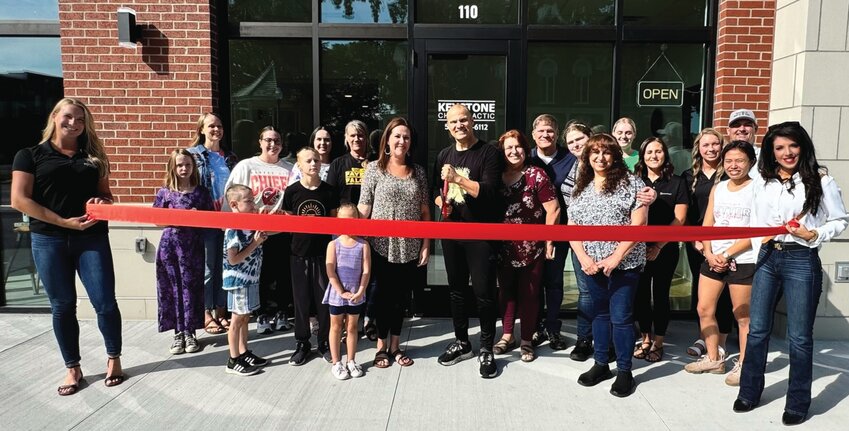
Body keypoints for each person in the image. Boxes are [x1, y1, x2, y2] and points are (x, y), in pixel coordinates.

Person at [734, 122, 849, 425]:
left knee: (799, 337)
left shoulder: (820, 181)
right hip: (768, 256)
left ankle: (798, 401)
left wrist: (816, 234)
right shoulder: (762, 179)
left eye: (792, 146)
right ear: (771, 152)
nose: (787, 153)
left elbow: (840, 220)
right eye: (780, 148)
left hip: (801, 258)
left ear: (803, 146)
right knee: (757, 330)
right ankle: (749, 391)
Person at [11, 97, 124, 395]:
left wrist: (104, 202)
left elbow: (107, 196)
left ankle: (114, 359)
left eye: (80, 120)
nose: (73, 124)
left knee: (105, 302)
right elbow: (20, 200)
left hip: (92, 238)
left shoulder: (94, 157)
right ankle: (72, 367)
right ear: (55, 117)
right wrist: (64, 222)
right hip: (49, 239)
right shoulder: (30, 155)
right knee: (62, 306)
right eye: (69, 117)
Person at [568, 133, 646, 398]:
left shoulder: (632, 184)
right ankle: (601, 364)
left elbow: (639, 226)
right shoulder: (582, 187)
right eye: (594, 153)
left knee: (621, 317)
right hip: (592, 264)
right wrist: (584, 258)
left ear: (615, 155)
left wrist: (616, 257)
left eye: (606, 152)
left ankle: (625, 371)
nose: (600, 158)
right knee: (599, 315)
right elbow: (573, 227)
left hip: (624, 264)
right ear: (587, 157)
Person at [433, 103, 504, 378]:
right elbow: (433, 189)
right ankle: (462, 342)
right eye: (454, 122)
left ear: (472, 122)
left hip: (481, 234)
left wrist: (458, 180)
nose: (459, 125)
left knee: (484, 293)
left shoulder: (488, 153)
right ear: (447, 127)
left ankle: (486, 347)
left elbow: (489, 193)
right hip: (452, 232)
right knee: (456, 290)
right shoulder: (443, 154)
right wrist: (443, 202)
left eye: (464, 120)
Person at [358, 117, 430, 368]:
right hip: (380, 245)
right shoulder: (374, 169)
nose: (402, 141)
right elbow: (364, 208)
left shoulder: (418, 172)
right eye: (397, 136)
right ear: (387, 139)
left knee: (401, 298)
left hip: (409, 246)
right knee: (382, 297)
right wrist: (347, 228)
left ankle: (396, 346)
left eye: (406, 137)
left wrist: (426, 244)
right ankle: (380, 346)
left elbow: (424, 212)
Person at [684, 141, 756, 386]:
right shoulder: (720, 187)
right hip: (713, 258)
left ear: (750, 163)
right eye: (729, 161)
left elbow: (756, 231)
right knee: (704, 309)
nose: (734, 166)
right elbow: (708, 223)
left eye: (740, 161)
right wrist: (708, 252)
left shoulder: (757, 189)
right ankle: (713, 358)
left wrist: (727, 254)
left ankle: (745, 365)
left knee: (742, 316)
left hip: (743, 259)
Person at [494, 130, 560, 363]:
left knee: (530, 293)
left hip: (532, 247)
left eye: (518, 146)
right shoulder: (496, 175)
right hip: (502, 247)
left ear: (525, 148)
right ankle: (507, 335)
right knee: (506, 292)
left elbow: (554, 209)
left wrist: (549, 240)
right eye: (508, 148)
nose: (514, 151)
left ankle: (526, 341)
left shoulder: (536, 175)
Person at [225, 126, 295, 335]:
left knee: (283, 274)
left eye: (277, 140)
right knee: (260, 275)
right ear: (260, 142)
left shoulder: (289, 169)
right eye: (268, 140)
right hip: (253, 233)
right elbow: (231, 198)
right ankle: (262, 313)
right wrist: (231, 227)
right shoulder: (246, 166)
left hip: (281, 231)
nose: (273, 144)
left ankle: (282, 312)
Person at [283, 147, 340, 365]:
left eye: (316, 160)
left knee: (323, 300)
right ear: (299, 165)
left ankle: (324, 342)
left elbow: (334, 222)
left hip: (323, 255)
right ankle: (302, 343)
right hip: (299, 254)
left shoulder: (329, 191)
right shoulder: (292, 192)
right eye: (308, 161)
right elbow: (289, 221)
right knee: (301, 301)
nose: (313, 164)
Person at [633, 137, 688, 363]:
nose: (654, 156)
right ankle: (645, 337)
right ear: (642, 156)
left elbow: (680, 218)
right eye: (649, 152)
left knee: (661, 295)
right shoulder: (635, 181)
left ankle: (658, 342)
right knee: (641, 295)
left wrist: (658, 246)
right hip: (637, 249)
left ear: (665, 155)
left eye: (658, 152)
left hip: (666, 248)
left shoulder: (677, 182)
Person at [154, 149, 214, 355]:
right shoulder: (165, 192)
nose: (184, 168)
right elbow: (156, 220)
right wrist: (180, 216)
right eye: (180, 165)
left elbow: (211, 220)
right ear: (173, 167)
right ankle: (177, 333)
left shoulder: (201, 192)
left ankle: (190, 332)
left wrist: (197, 217)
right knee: (172, 288)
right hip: (169, 247)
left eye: (187, 164)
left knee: (191, 289)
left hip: (193, 249)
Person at [681, 128, 734, 359]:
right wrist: (695, 240)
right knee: (702, 295)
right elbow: (687, 213)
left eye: (715, 144)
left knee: (724, 294)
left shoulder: (731, 175)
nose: (711, 149)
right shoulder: (688, 176)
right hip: (699, 245)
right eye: (706, 145)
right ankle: (704, 336)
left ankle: (721, 341)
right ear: (698, 149)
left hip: (727, 244)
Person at [186, 112, 238, 335]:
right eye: (211, 126)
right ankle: (206, 313)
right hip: (206, 219)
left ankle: (220, 311)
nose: (216, 129)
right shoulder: (193, 156)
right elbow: (184, 184)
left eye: (219, 126)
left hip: (228, 220)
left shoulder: (231, 158)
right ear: (201, 130)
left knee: (225, 266)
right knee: (207, 268)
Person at [527, 114, 575, 351]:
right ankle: (534, 328)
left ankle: (553, 328)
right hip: (529, 233)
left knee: (554, 282)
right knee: (534, 282)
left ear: (557, 134)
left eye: (550, 131)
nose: (545, 135)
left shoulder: (571, 159)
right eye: (541, 131)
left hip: (560, 231)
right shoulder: (526, 158)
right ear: (534, 134)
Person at [222, 185, 269, 376]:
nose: (253, 204)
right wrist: (255, 243)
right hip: (238, 280)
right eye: (248, 201)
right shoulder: (233, 228)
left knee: (246, 316)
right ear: (234, 204)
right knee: (237, 319)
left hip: (251, 278)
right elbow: (233, 259)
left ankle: (243, 352)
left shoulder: (248, 223)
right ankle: (233, 360)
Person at [324, 203, 370, 380]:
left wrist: (360, 290)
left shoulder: (363, 245)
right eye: (343, 219)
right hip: (337, 293)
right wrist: (340, 291)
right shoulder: (333, 244)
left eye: (352, 219)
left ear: (358, 220)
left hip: (356, 292)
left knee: (352, 327)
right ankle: (336, 362)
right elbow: (330, 270)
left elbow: (366, 270)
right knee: (335, 326)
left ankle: (351, 360)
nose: (347, 223)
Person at [327, 119, 369, 205]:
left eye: (360, 135)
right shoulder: (337, 164)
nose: (356, 139)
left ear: (366, 137)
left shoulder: (375, 163)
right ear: (346, 137)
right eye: (352, 135)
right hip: (345, 215)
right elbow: (330, 195)